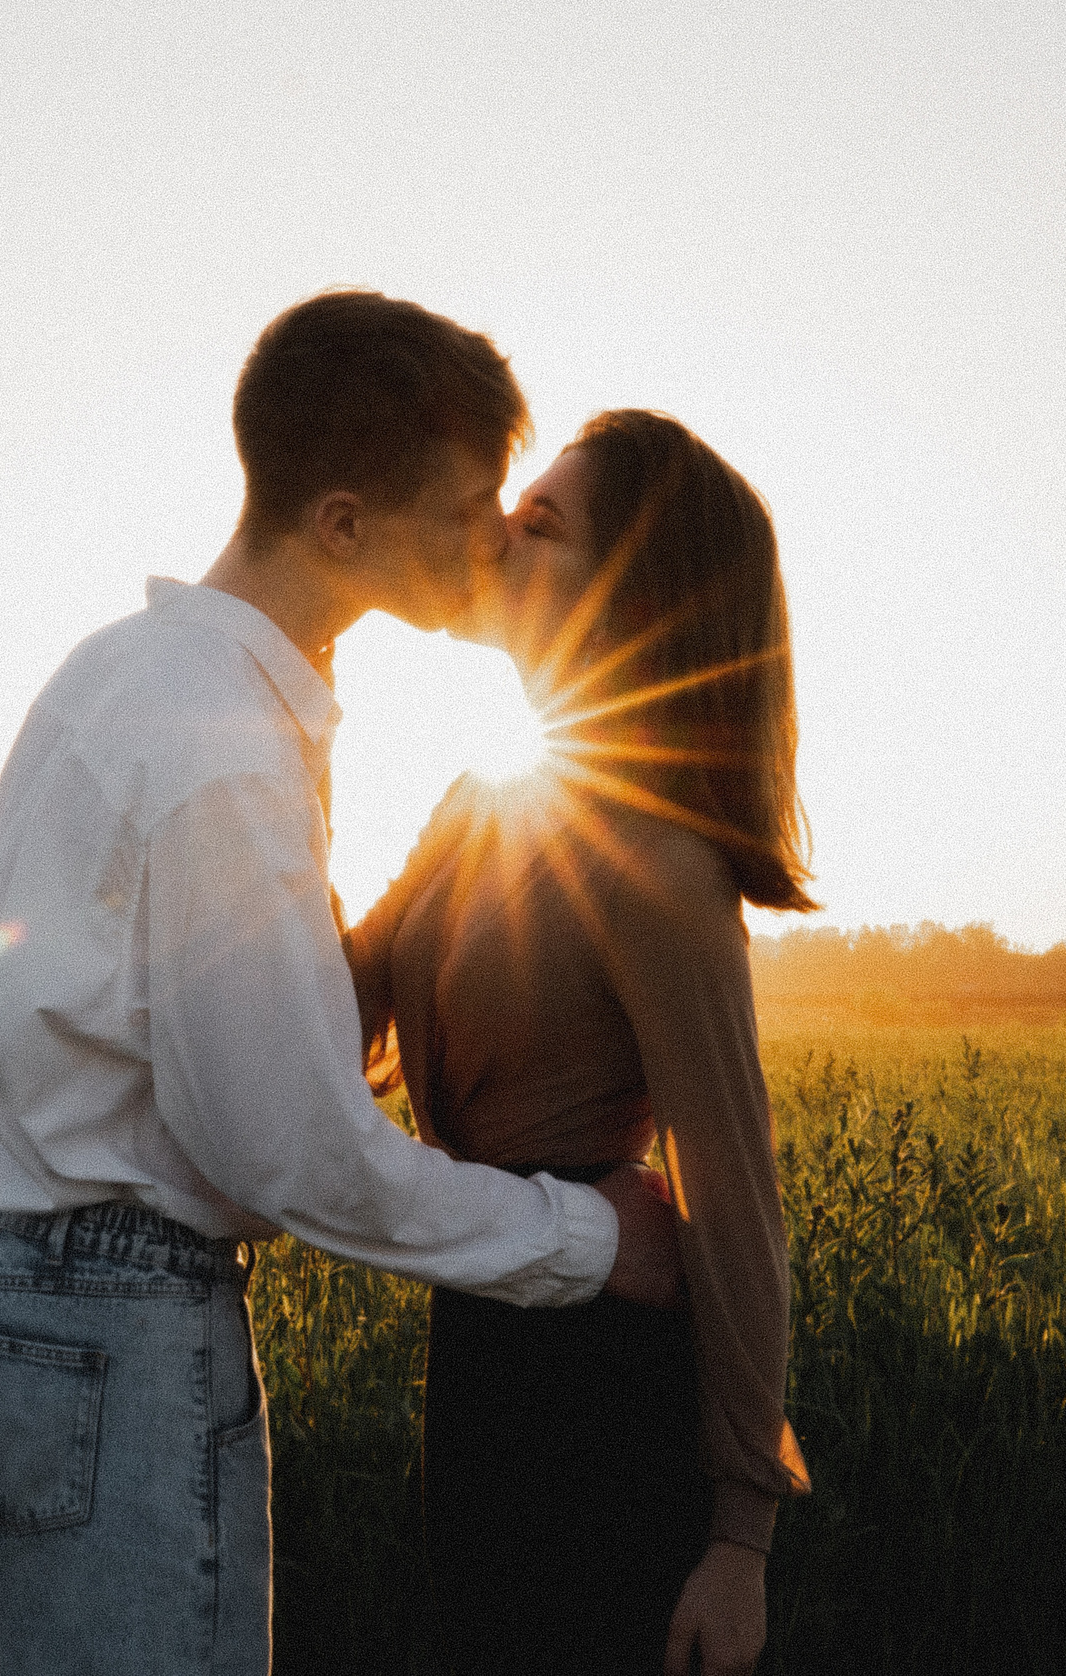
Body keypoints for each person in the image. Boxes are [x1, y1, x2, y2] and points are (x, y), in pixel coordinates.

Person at [0, 293, 687, 1676]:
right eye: (466, 507)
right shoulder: (225, 751)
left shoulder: (131, 668)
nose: (494, 537)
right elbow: (295, 1153)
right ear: (342, 524)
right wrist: (588, 1238)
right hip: (115, 1319)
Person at [345, 409, 816, 1676]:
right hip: (484, 1323)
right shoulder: (480, 803)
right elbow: (342, 1007)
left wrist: (741, 1537)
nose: (497, 532)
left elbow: (734, 1197)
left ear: (629, 600)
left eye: (541, 523)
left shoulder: (656, 858)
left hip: (603, 1367)